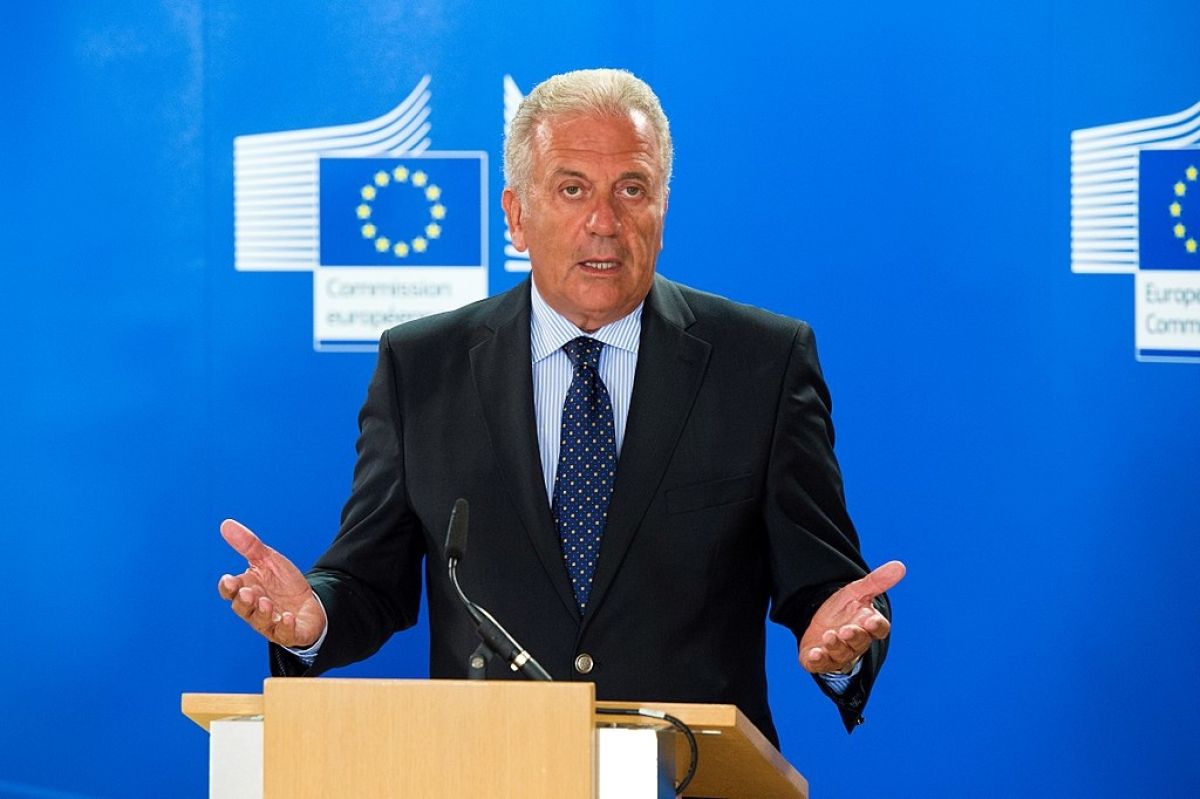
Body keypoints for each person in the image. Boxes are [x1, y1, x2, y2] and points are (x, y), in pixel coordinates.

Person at [218, 68, 904, 747]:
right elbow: (372, 578)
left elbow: (826, 586)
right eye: (572, 189)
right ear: (517, 215)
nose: (604, 222)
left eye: (631, 189)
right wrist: (315, 620)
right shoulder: (420, 367)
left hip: (693, 774)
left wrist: (843, 645)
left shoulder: (761, 362)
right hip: (489, 770)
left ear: (662, 207)